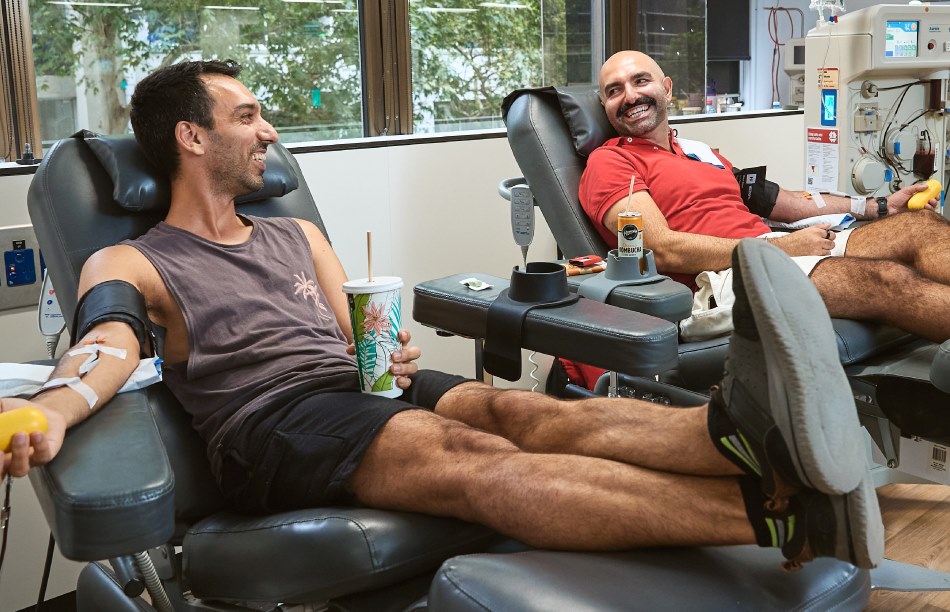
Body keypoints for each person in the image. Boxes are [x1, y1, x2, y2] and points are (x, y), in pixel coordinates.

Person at [0, 60, 881, 569]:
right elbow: (106, 347)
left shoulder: (296, 233)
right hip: (272, 423)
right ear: (191, 138)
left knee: (525, 410)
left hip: (356, 394)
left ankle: (739, 439)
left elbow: (360, 341)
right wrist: (52, 409)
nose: (269, 132)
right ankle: (777, 519)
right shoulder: (134, 257)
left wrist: (396, 354)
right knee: (480, 456)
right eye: (247, 116)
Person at [580, 50, 948, 349]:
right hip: (721, 279)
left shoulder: (698, 152)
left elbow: (779, 202)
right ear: (605, 105)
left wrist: (878, 207)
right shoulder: (610, 161)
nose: (630, 96)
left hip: (770, 247)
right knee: (885, 278)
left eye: (640, 80)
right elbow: (661, 249)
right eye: (614, 91)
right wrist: (781, 250)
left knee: (919, 227)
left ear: (666, 88)